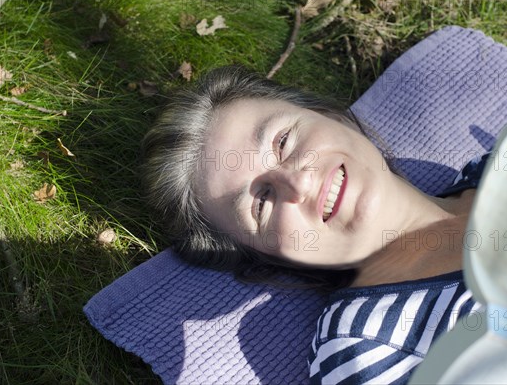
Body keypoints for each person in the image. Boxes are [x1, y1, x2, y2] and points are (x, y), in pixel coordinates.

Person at [141, 65, 486, 384]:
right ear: (267, 255)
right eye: (261, 203)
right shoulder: (365, 347)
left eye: (283, 141)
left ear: (334, 117)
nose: (298, 183)